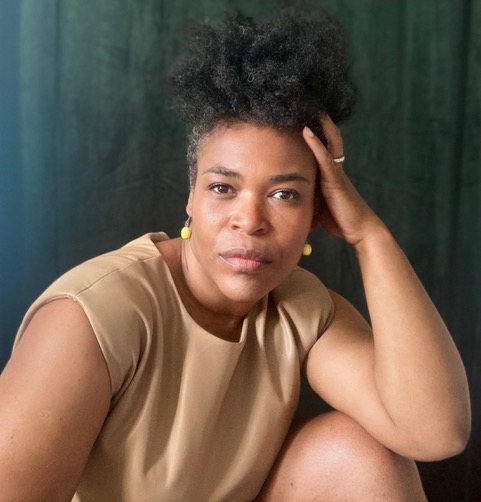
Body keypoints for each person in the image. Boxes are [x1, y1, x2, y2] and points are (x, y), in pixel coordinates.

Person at [0, 11, 471, 502]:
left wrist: (369, 235)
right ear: (191, 193)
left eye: (285, 194)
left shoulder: (301, 310)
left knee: (366, 457)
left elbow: (434, 432)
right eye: (223, 187)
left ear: (318, 210)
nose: (249, 220)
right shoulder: (89, 318)